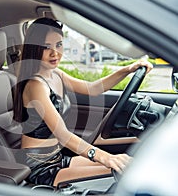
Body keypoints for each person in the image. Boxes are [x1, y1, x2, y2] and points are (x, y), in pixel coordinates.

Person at [13, 17, 153, 187]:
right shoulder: (35, 86)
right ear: (34, 49)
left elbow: (92, 89)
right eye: (46, 47)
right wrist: (105, 157)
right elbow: (63, 135)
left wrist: (127, 70)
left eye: (58, 44)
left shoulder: (56, 74)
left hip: (57, 159)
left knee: (133, 165)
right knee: (121, 171)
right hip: (40, 168)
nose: (55, 53)